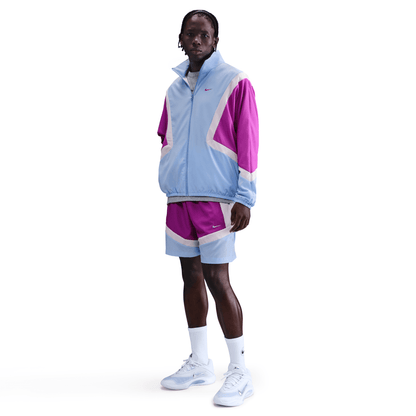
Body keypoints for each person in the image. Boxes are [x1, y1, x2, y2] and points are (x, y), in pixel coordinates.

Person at [157, 10, 259, 407]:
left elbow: (248, 139)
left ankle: (240, 370)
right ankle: (200, 362)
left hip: (217, 200)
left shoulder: (235, 81)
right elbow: (165, 136)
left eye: (205, 34)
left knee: (218, 280)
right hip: (179, 199)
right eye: (190, 33)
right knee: (190, 277)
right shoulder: (173, 90)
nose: (197, 40)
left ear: (215, 40)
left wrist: (245, 197)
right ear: (180, 39)